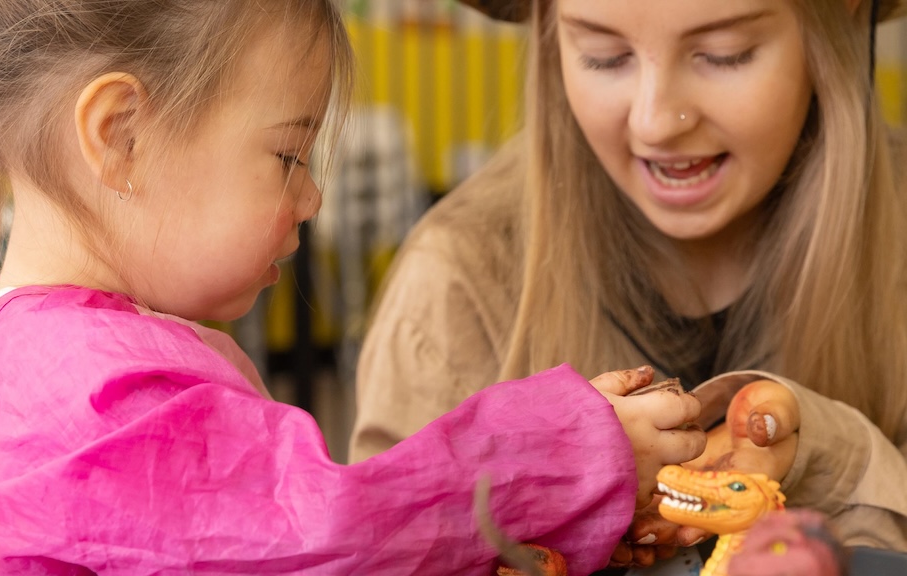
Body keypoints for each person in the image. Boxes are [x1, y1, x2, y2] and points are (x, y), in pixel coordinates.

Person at [0, 1, 706, 574]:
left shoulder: (0, 362)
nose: (310, 196)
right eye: (287, 155)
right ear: (121, 136)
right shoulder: (100, 400)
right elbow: (333, 538)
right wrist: (572, 455)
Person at [351, 0, 907, 569]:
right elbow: (386, 548)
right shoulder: (455, 279)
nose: (655, 121)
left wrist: (828, 458)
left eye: (725, 54)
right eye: (604, 56)